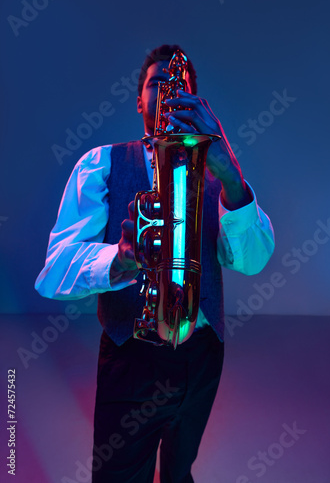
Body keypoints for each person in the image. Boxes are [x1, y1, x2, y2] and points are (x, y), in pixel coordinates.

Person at [35, 44, 275, 483]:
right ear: (141, 101)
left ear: (195, 103)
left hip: (201, 356)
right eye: (154, 83)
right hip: (132, 361)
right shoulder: (101, 164)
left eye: (176, 84)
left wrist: (230, 172)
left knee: (180, 473)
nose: (166, 89)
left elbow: (253, 261)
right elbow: (53, 271)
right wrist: (119, 262)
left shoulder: (218, 172)